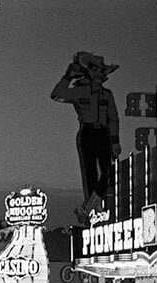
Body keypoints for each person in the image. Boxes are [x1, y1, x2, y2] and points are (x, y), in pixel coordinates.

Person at [51, 51, 121, 225]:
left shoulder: (107, 94)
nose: (98, 74)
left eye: (101, 71)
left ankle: (88, 208)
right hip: (87, 133)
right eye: (95, 70)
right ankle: (93, 212)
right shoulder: (80, 91)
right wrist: (68, 77)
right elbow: (57, 95)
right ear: (89, 72)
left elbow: (113, 118)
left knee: (108, 173)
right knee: (89, 174)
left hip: (103, 133)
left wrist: (115, 141)